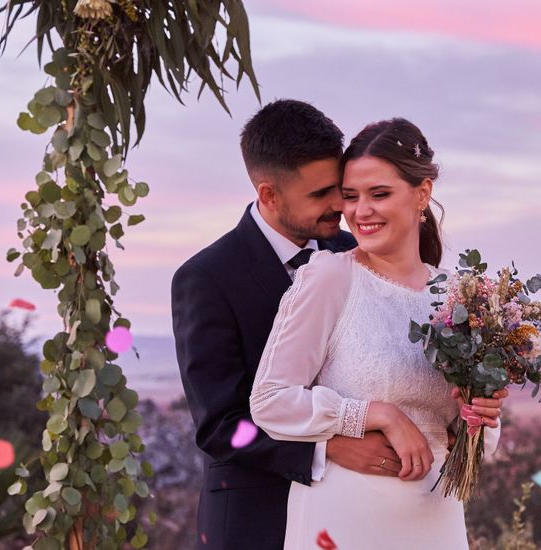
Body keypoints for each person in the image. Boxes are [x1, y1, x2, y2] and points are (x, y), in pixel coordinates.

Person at [250, 117, 507, 549]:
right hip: (345, 520)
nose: (360, 211)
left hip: (436, 522)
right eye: (351, 196)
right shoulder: (330, 278)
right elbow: (270, 401)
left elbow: (472, 447)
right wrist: (379, 414)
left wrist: (481, 415)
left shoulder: (458, 296)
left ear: (422, 193)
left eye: (379, 194)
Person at [172, 100, 403, 550]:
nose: (340, 204)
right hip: (257, 521)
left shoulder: (358, 253)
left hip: (356, 516)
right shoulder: (205, 279)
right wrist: (326, 448)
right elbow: (221, 425)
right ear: (269, 195)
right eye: (320, 195)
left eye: (338, 187)